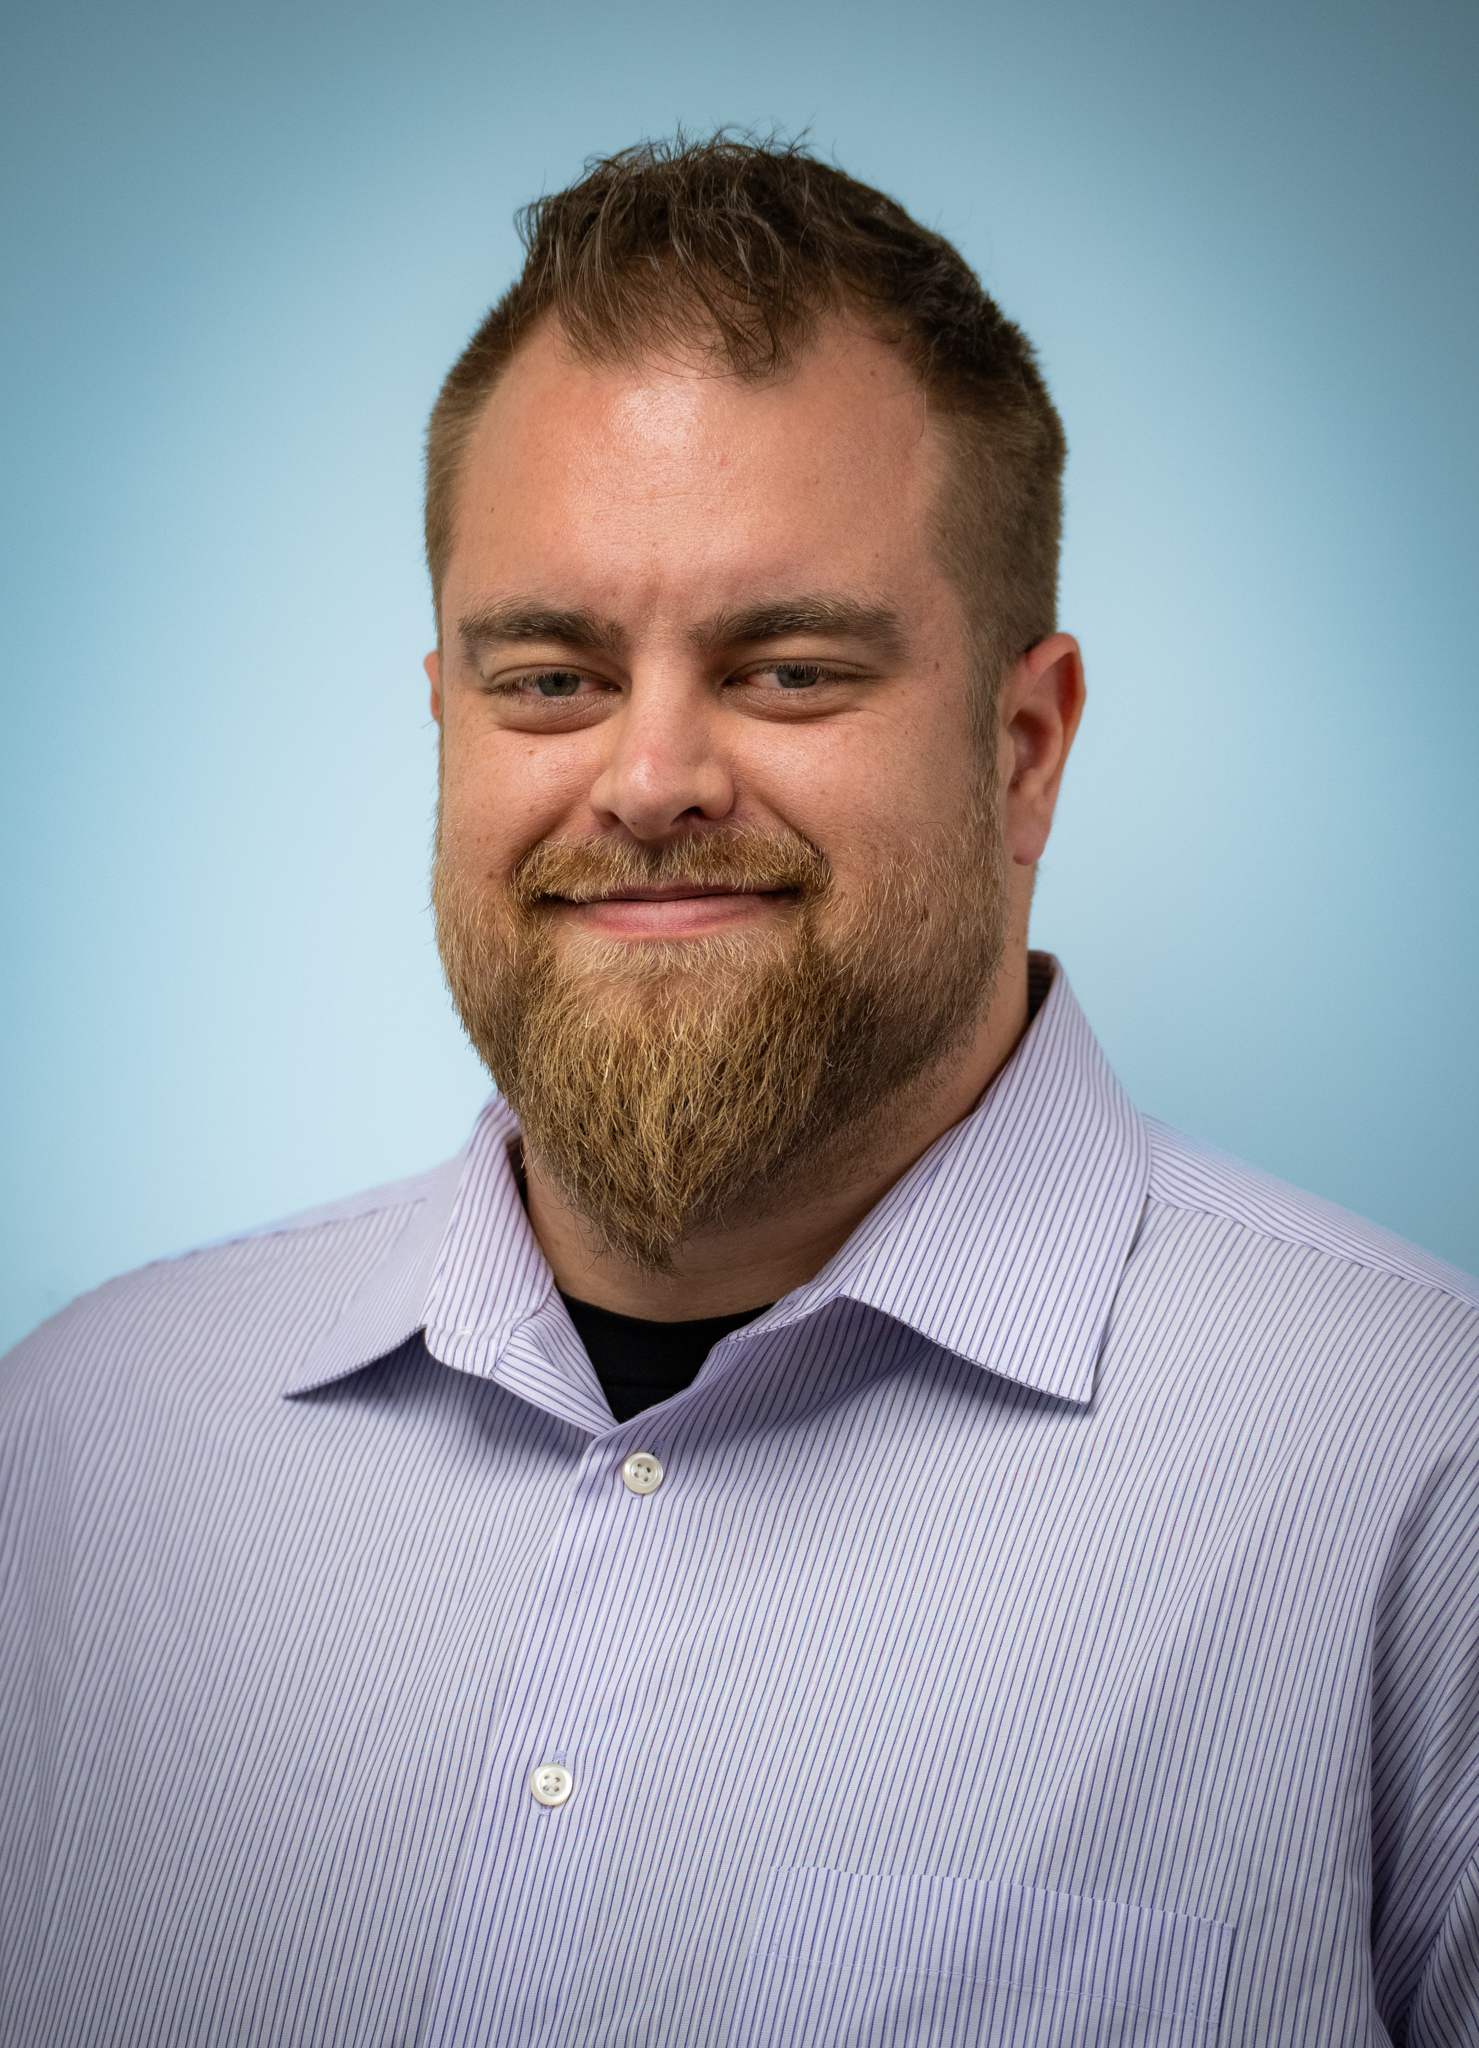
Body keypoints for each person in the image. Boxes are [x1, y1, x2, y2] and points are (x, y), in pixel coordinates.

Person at [2, 135, 1475, 2048]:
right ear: (444, 720)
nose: (649, 781)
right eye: (550, 678)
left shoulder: (1421, 1478)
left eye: (786, 671)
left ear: (1025, 750)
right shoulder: (78, 1452)